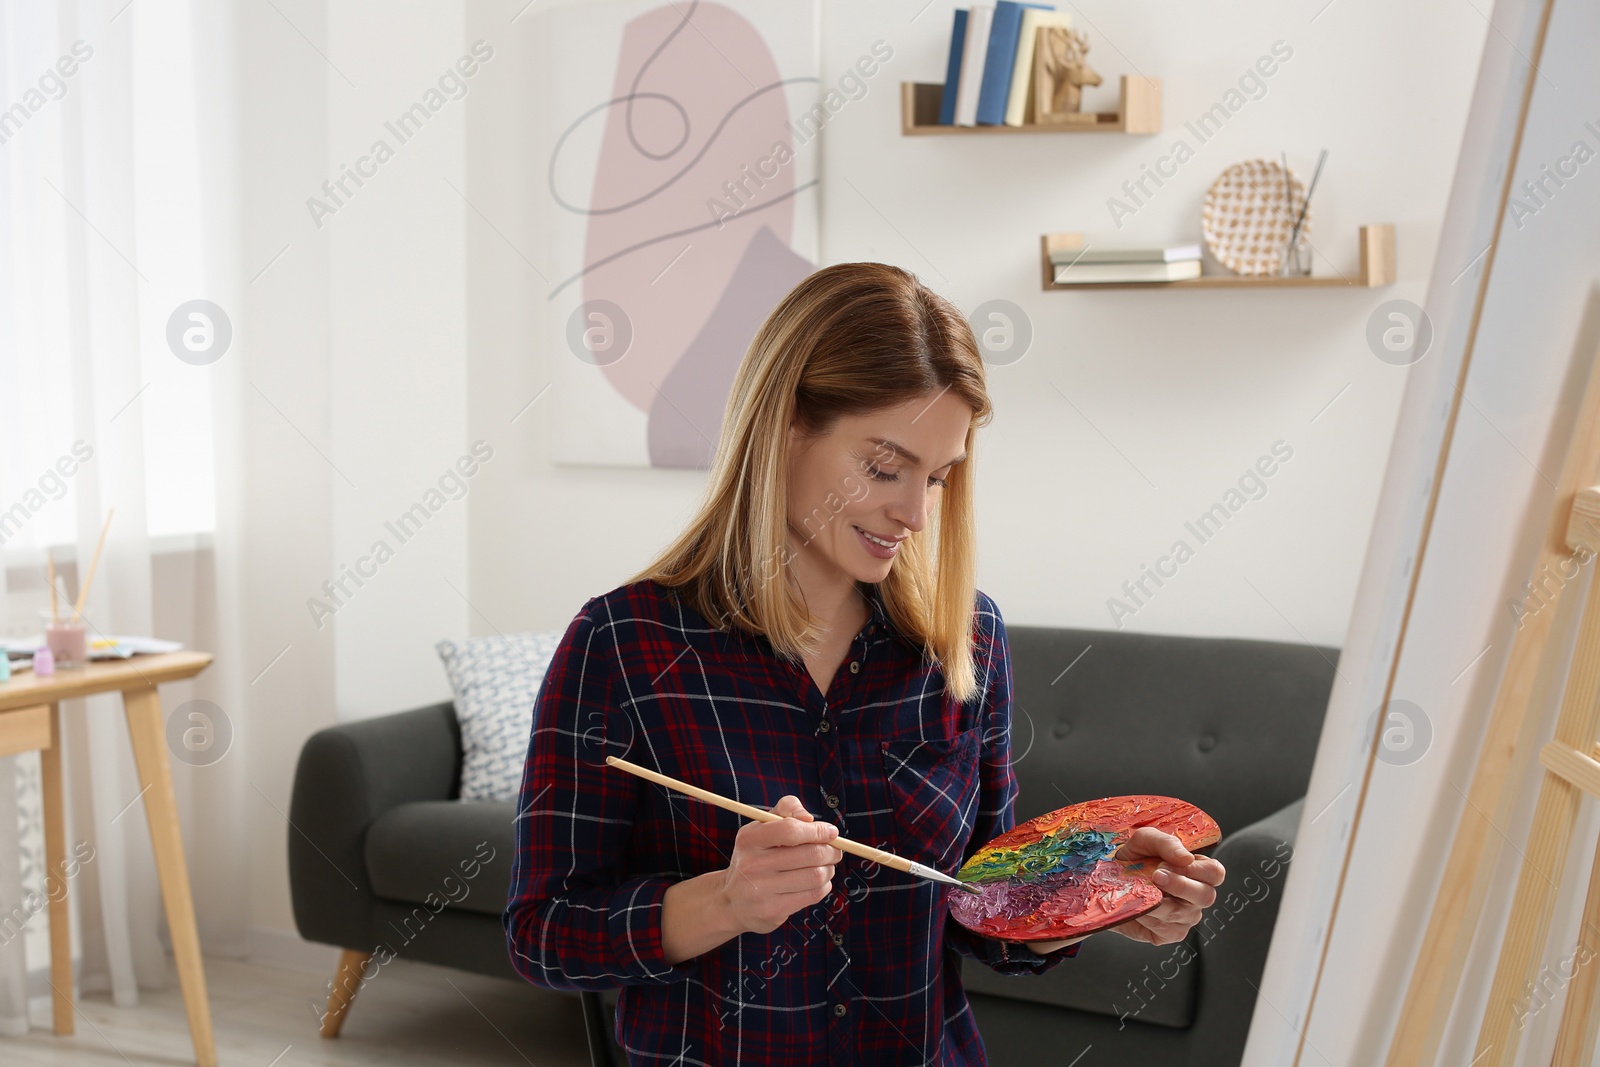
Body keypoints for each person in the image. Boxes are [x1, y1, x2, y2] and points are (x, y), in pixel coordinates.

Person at [503, 262, 1226, 1064]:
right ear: (786, 427)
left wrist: (1100, 898)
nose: (914, 513)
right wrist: (728, 901)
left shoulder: (967, 638)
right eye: (884, 467)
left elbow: (981, 907)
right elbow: (542, 935)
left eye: (938, 477)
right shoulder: (624, 644)